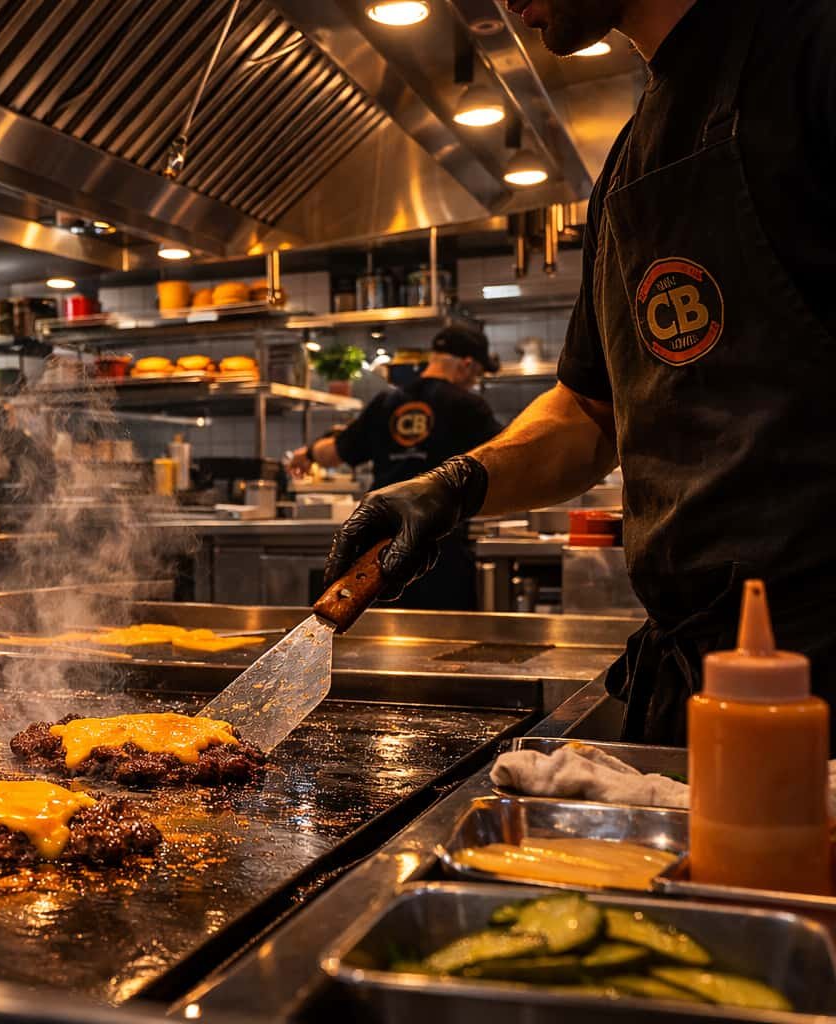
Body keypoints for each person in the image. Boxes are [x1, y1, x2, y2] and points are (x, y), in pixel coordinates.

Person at [320, 0, 836, 744]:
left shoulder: (814, 52)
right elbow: (588, 412)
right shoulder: (631, 159)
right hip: (699, 676)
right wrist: (456, 484)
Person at [290, 325, 502, 609]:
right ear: (467, 365)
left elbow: (336, 452)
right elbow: (503, 455)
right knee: (443, 638)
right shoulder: (469, 406)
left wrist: (309, 453)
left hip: (378, 553)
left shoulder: (386, 402)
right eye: (477, 375)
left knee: (382, 639)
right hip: (439, 548)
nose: (474, 382)